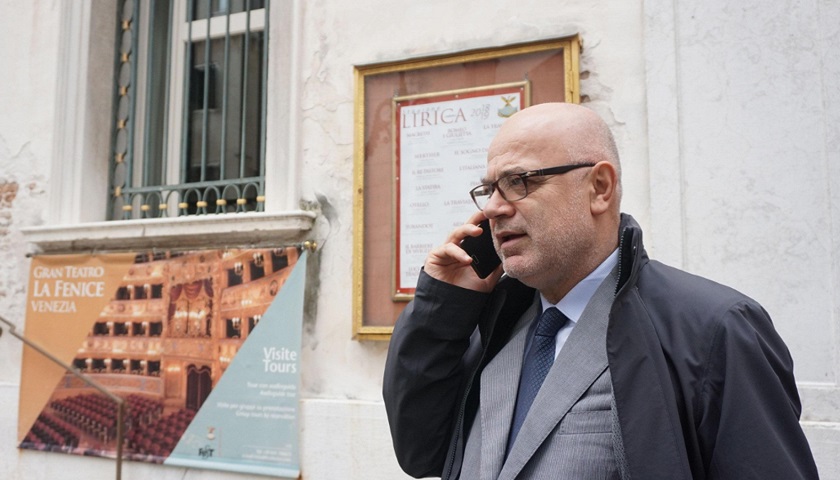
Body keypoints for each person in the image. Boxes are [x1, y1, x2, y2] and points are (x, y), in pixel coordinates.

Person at [382, 102, 819, 479]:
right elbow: (422, 453)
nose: (495, 207)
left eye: (520, 181)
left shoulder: (714, 330)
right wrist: (444, 308)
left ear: (599, 187)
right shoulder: (494, 323)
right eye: (490, 188)